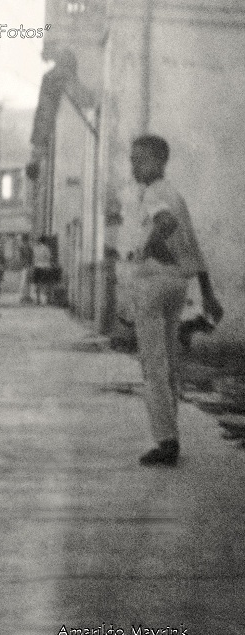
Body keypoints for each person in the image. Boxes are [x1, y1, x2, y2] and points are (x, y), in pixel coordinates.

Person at [129, 134, 223, 466]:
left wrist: (147, 247)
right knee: (169, 361)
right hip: (177, 283)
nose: (134, 166)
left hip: (152, 282)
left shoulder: (153, 193)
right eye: (132, 160)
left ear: (160, 161)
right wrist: (207, 293)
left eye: (140, 160)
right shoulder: (175, 194)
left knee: (152, 364)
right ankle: (171, 434)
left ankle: (166, 440)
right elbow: (193, 245)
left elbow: (165, 224)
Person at [32, 236, 53, 305]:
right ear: (45, 241)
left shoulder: (35, 248)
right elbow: (49, 257)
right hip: (45, 266)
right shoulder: (46, 248)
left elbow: (34, 257)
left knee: (37, 283)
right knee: (46, 283)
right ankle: (47, 299)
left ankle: (38, 299)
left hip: (37, 266)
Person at [17, 233, 34, 304]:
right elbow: (30, 257)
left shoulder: (24, 247)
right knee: (25, 282)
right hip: (26, 266)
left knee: (25, 282)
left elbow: (21, 257)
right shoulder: (27, 247)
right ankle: (24, 297)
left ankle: (25, 296)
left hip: (25, 266)